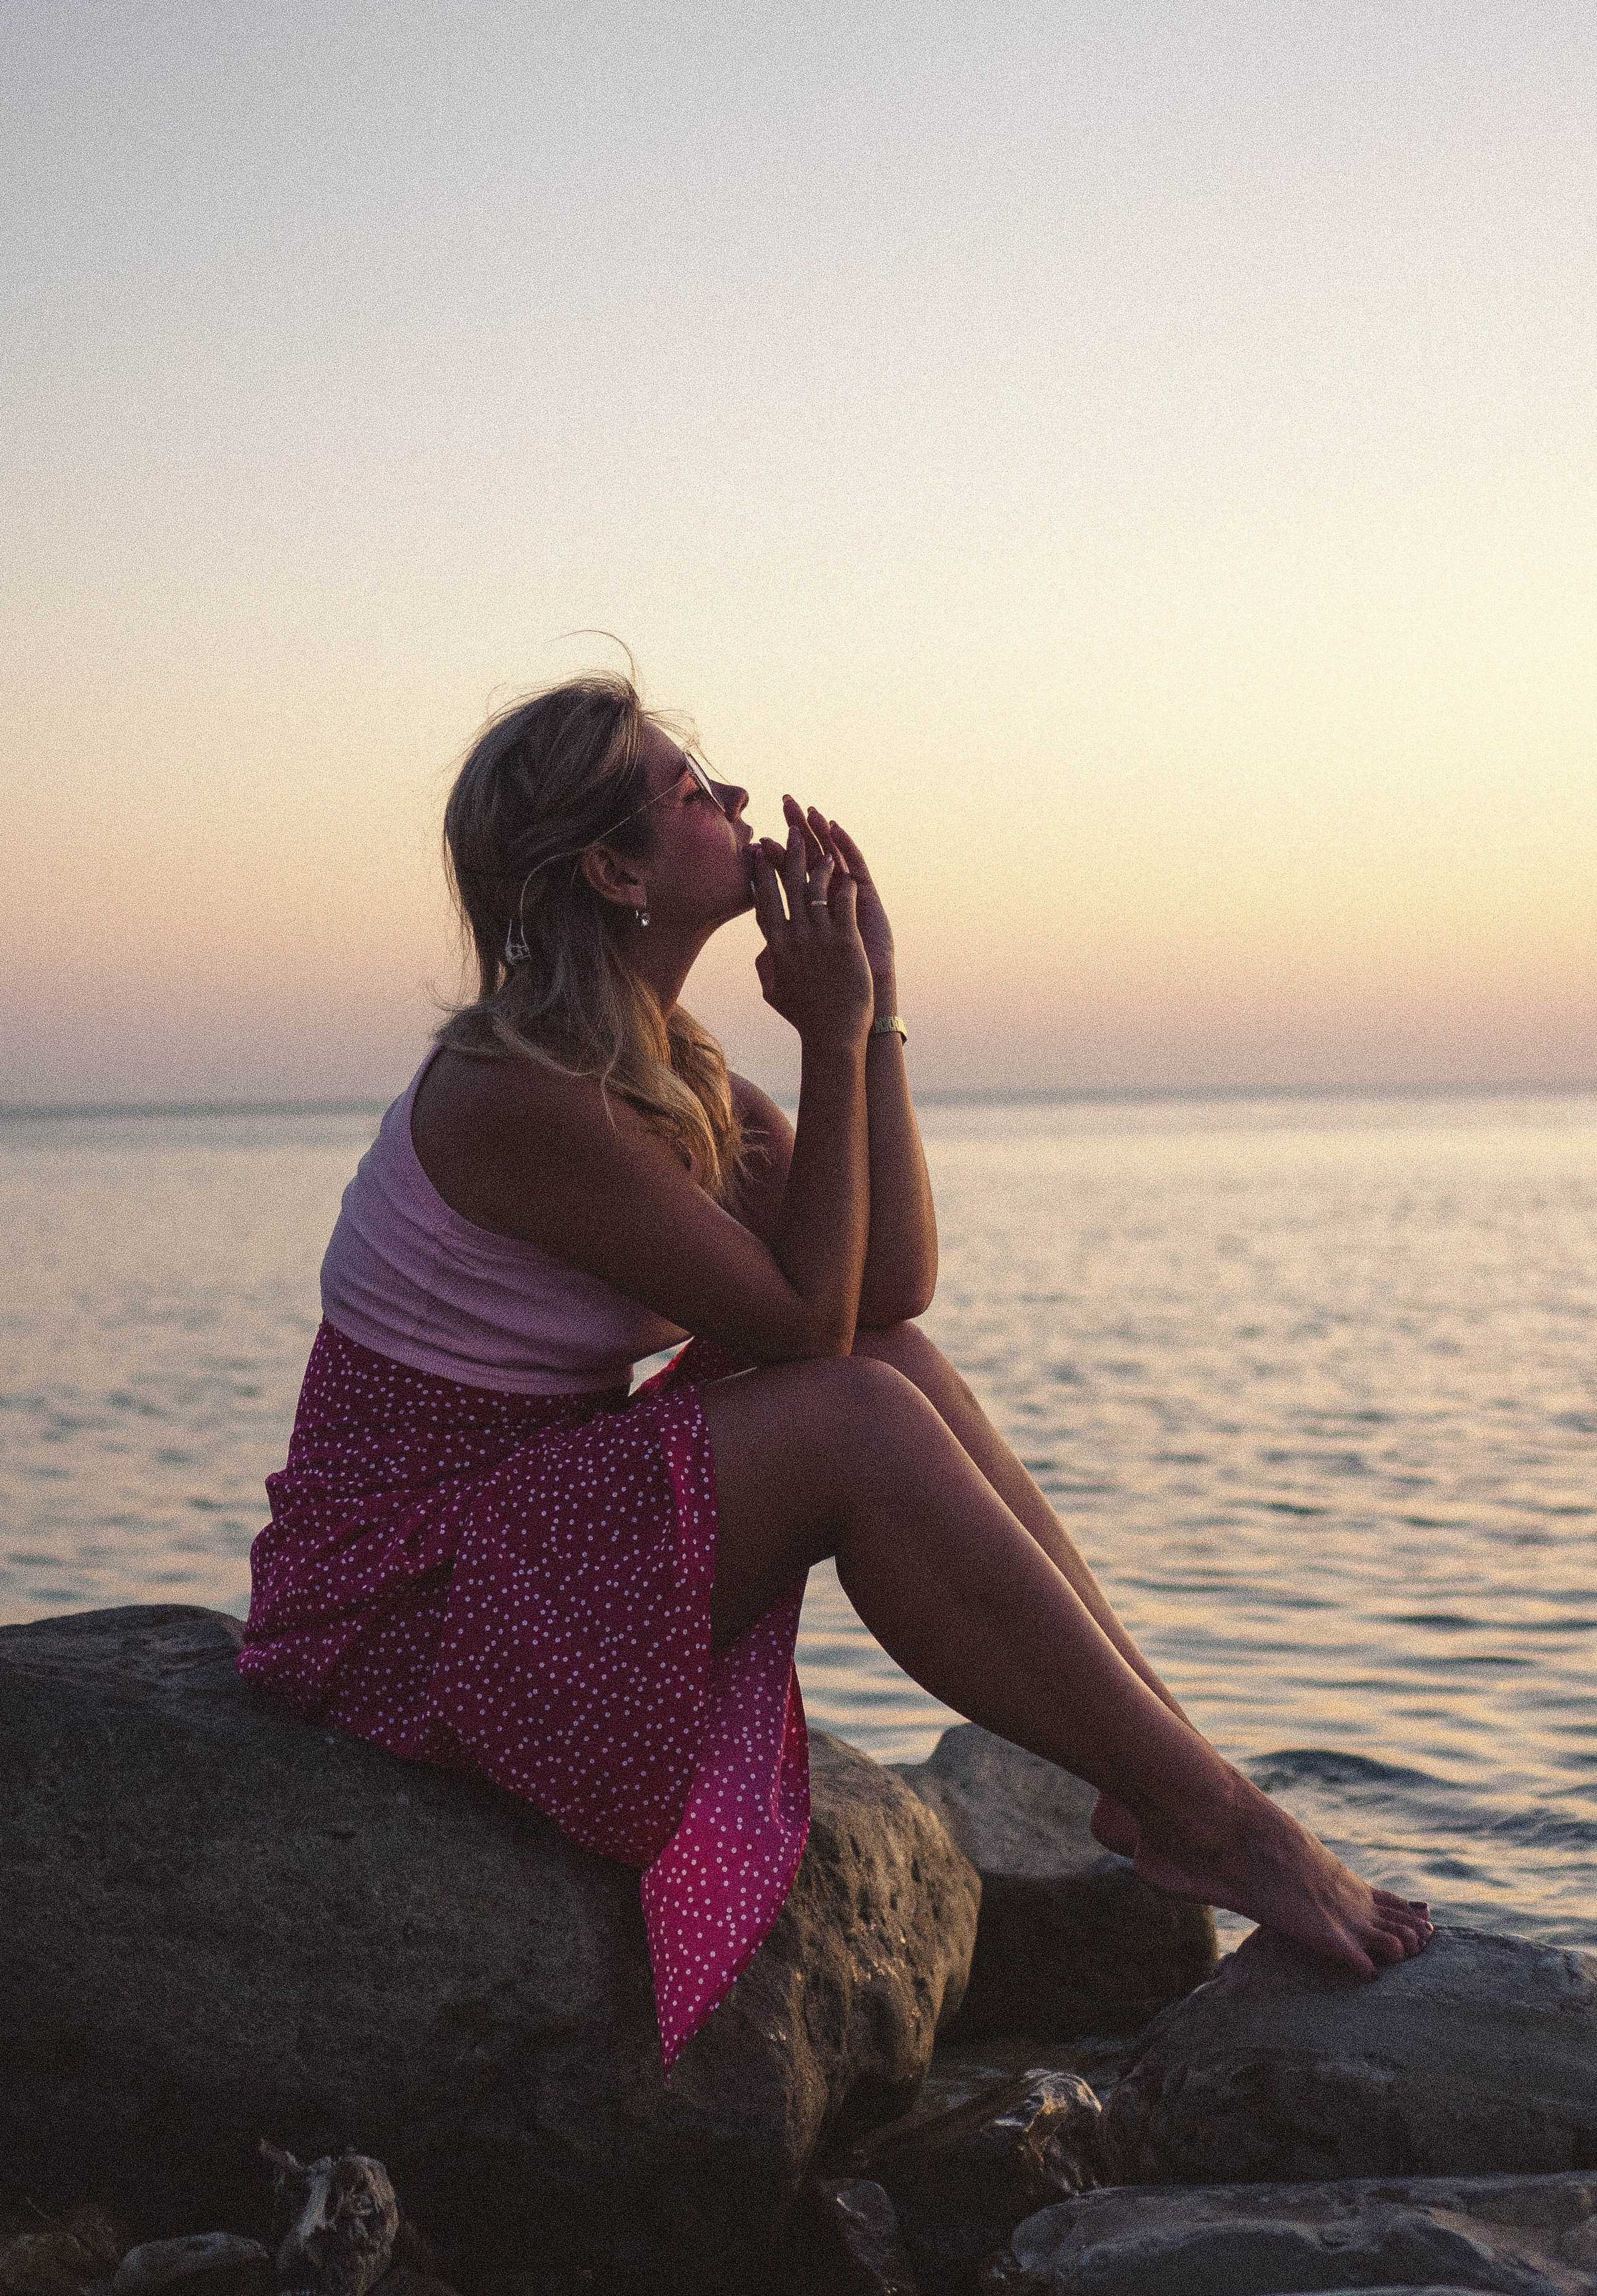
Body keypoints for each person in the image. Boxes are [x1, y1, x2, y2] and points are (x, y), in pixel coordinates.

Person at [241, 671, 1430, 2072]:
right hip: (409, 1596)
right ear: (613, 869)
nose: (735, 801)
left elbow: (888, 1293)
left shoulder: (664, 1067)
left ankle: (1169, 1781)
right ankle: (1214, 1818)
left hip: (527, 1523)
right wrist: (826, 1029)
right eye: (688, 793)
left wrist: (872, 1016)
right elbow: (812, 1333)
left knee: (898, 1362)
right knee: (855, 1409)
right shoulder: (516, 1095)